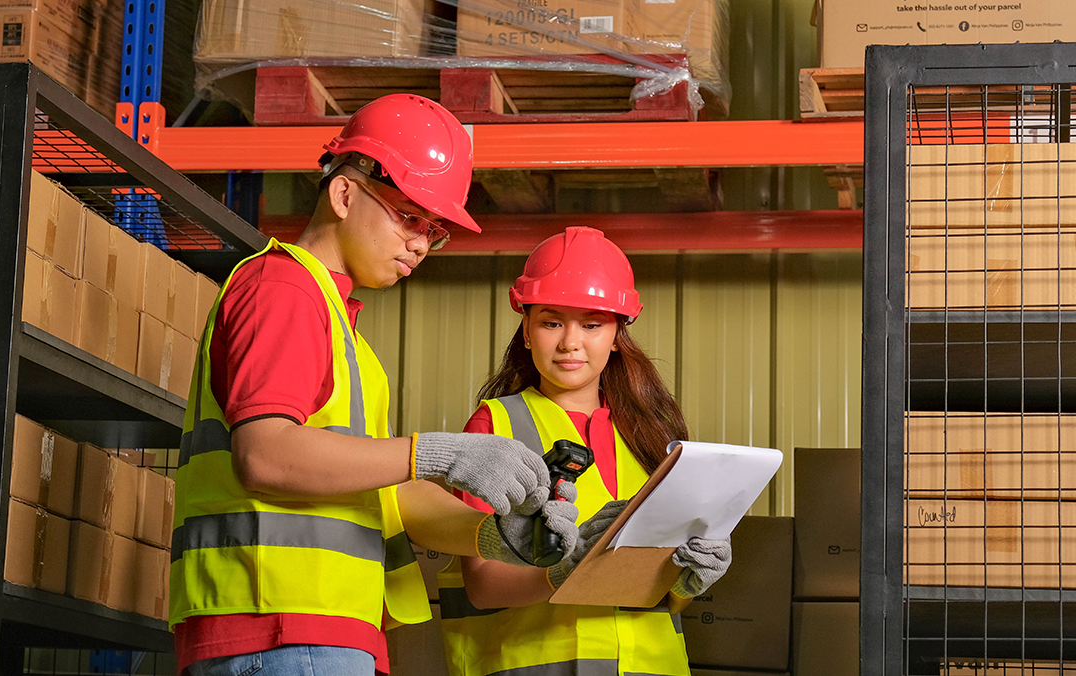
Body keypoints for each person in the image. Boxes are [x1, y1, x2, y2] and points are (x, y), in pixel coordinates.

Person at [169, 94, 580, 676]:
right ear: (344, 193)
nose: (420, 244)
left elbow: (387, 495)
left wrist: (498, 537)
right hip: (280, 628)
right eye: (410, 217)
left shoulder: (346, 335)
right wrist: (438, 452)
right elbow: (265, 455)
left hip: (316, 632)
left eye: (433, 231)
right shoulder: (284, 289)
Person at [438, 226, 735, 676]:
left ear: (617, 334)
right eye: (551, 321)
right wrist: (565, 569)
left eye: (592, 324)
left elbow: (661, 595)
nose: (570, 342)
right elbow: (482, 585)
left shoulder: (653, 437)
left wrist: (689, 581)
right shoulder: (495, 427)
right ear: (526, 329)